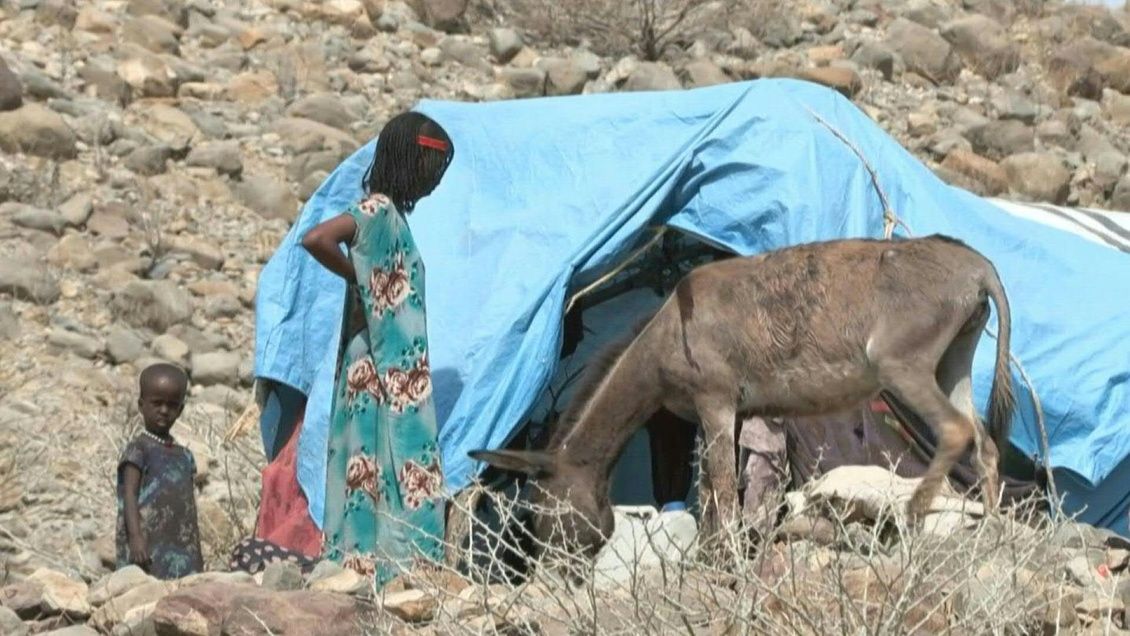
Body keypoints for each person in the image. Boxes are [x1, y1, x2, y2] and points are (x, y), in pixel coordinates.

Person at [301, 111, 454, 586]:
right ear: (413, 161)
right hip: (383, 369)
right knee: (395, 462)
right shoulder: (378, 212)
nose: (435, 181)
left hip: (382, 363)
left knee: (375, 467)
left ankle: (365, 569)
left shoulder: (392, 217)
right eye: (434, 168)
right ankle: (391, 573)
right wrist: (361, 280)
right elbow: (317, 239)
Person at [116, 363, 204, 579]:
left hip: (182, 546)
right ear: (141, 405)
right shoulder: (139, 449)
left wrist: (196, 551)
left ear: (180, 410)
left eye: (172, 405)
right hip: (147, 547)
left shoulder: (184, 455)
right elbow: (129, 495)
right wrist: (136, 538)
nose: (164, 410)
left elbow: (188, 508)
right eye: (157, 403)